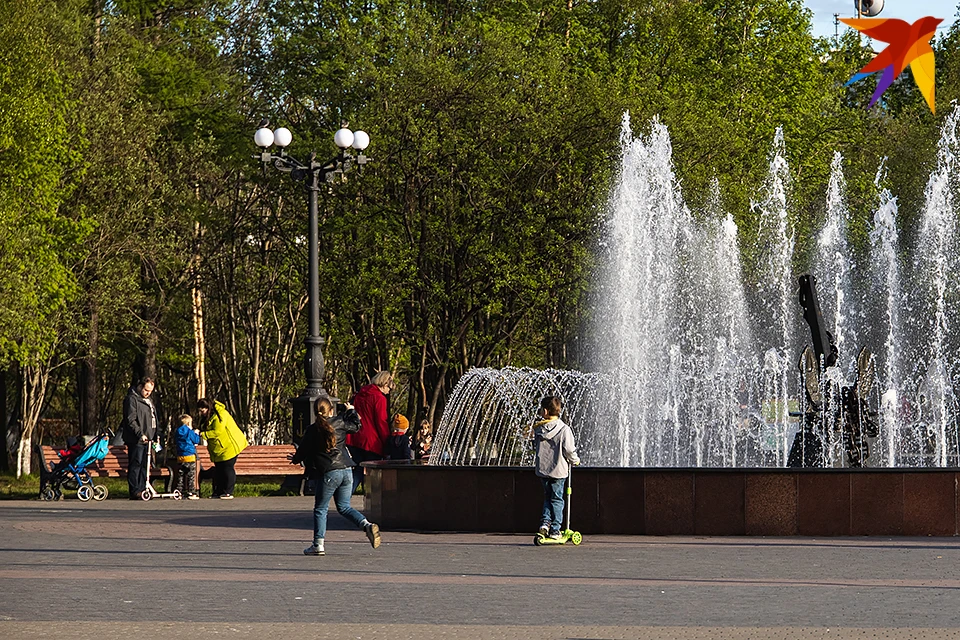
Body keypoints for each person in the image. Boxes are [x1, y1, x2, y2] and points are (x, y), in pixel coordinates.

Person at [290, 397, 382, 556]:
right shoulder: (339, 422)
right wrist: (351, 410)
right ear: (331, 410)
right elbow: (356, 426)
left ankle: (318, 545)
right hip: (347, 470)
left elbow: (303, 450)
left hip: (329, 472)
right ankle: (366, 525)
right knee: (345, 507)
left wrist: (295, 459)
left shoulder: (313, 429)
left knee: (321, 508)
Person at [533, 395, 580, 540]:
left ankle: (545, 524)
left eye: (541, 409)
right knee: (558, 499)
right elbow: (569, 449)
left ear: (545, 411)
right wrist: (575, 460)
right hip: (559, 470)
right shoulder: (564, 429)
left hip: (543, 469)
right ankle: (555, 529)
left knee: (548, 497)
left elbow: (536, 447)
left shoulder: (539, 429)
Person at [346, 371, 394, 493]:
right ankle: (372, 500)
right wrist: (387, 442)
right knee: (372, 473)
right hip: (371, 442)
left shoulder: (360, 394)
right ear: (384, 384)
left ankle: (345, 495)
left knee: (357, 469)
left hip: (355, 438)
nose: (389, 391)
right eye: (389, 388)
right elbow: (381, 422)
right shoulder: (379, 398)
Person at [197, 398, 249, 499]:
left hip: (230, 445)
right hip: (218, 448)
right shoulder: (207, 417)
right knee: (219, 469)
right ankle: (218, 491)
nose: (201, 413)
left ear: (208, 408)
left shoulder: (220, 415)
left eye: (202, 410)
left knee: (227, 468)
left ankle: (228, 491)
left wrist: (202, 434)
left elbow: (217, 431)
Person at [121, 377, 158, 500]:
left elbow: (153, 419)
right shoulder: (132, 399)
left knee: (145, 465)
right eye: (146, 390)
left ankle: (143, 488)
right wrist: (139, 434)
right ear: (141, 387)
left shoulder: (149, 401)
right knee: (136, 463)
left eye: (150, 391)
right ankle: (135, 490)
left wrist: (156, 435)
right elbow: (131, 419)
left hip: (149, 438)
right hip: (137, 439)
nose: (148, 393)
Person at [174, 414, 201, 500]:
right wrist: (196, 433)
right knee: (190, 475)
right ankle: (191, 492)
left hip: (180, 456)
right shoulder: (190, 432)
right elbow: (196, 440)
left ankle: (179, 491)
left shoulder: (177, 431)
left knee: (181, 475)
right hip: (189, 456)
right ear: (189, 423)